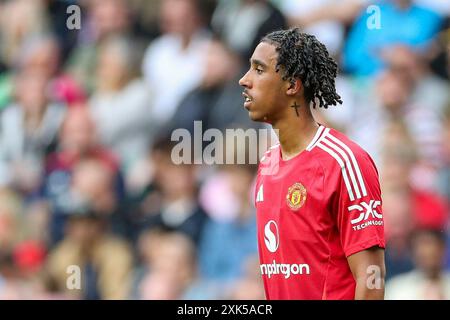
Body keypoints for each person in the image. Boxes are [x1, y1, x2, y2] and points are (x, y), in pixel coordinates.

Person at [239, 28, 386, 300]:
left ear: (292, 85)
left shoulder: (345, 162)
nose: (244, 80)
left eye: (259, 70)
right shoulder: (268, 164)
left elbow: (372, 279)